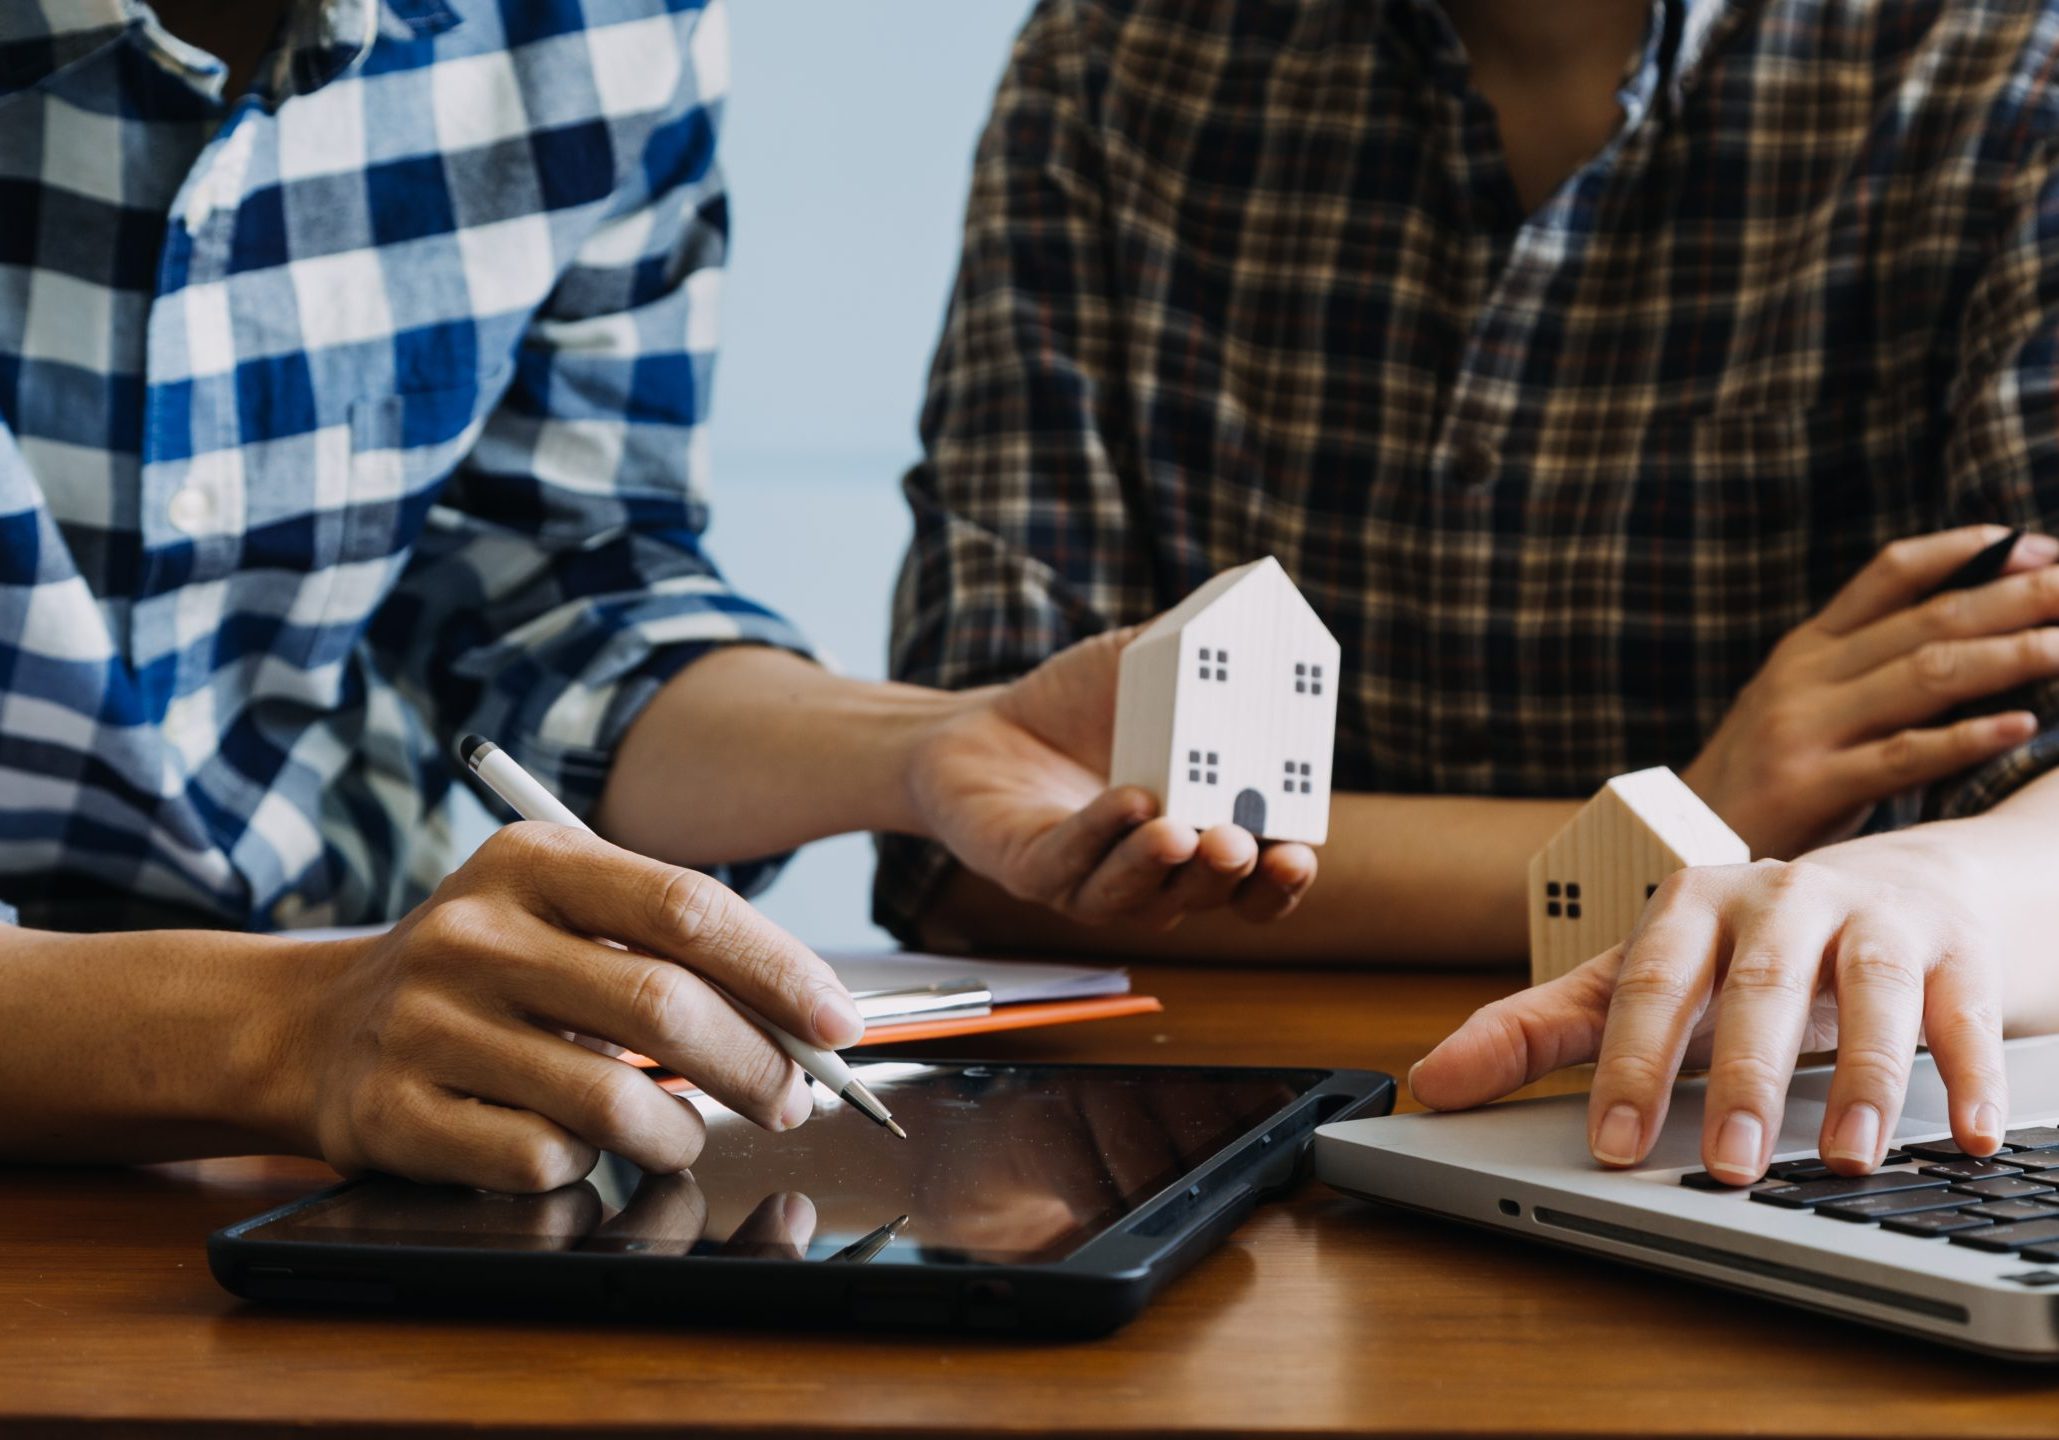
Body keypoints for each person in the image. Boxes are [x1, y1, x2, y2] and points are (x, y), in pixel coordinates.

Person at [0, 0, 1311, 1192]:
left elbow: (559, 585)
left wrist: (920, 749)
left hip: (371, 1111)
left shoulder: (595, 28)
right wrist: (282, 1029)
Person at [878, 0, 2059, 1184]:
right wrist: (1694, 826)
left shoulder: (2008, 68)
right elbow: (989, 836)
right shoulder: (1116, 55)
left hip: (1771, 1110)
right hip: (1224, 1136)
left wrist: (1934, 879)